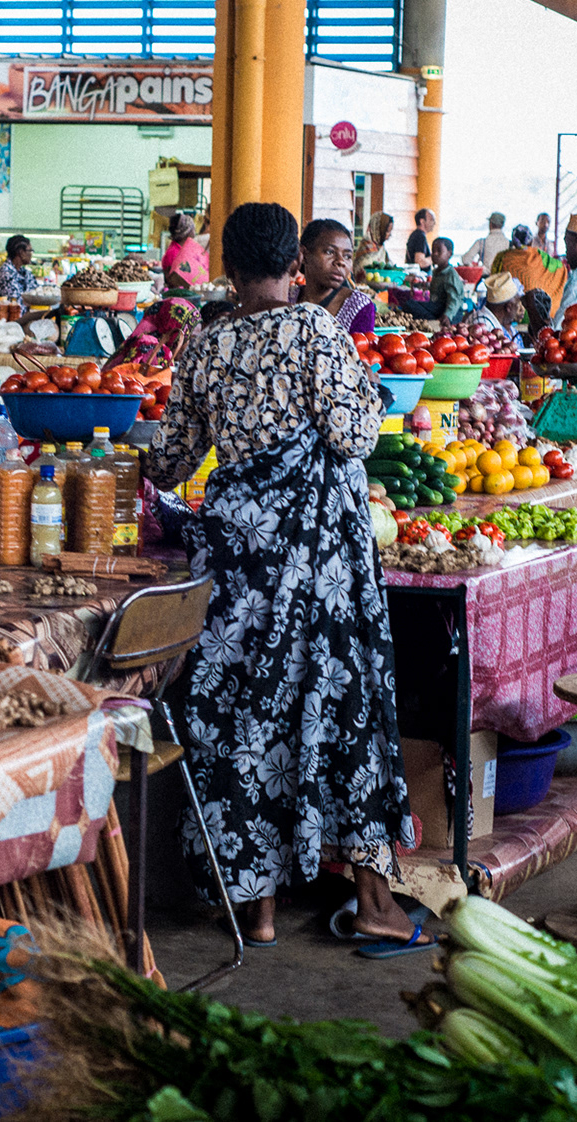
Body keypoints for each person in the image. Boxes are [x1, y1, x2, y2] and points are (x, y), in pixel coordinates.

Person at [143, 202, 422, 955]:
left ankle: (256, 910)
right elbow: (355, 436)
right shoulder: (316, 331)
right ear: (295, 265)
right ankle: (373, 902)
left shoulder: (205, 343)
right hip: (321, 570)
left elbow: (170, 460)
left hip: (239, 564)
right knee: (343, 710)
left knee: (243, 718)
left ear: (228, 269)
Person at [294, 217, 375, 334]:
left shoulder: (358, 307)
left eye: (347, 256)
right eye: (329, 252)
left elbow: (361, 345)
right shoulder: (288, 298)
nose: (341, 261)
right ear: (304, 254)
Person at [106, 297, 200, 373]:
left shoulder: (140, 340)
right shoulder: (156, 351)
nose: (193, 345)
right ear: (174, 335)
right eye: (190, 338)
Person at [399, 236, 467, 322]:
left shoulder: (450, 274)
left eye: (439, 251)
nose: (435, 254)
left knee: (411, 306)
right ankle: (434, 321)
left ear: (449, 254)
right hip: (437, 308)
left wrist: (447, 316)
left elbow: (454, 300)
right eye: (433, 251)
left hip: (452, 313)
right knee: (410, 304)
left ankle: (437, 322)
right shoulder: (436, 272)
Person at [160, 212, 210, 290]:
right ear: (187, 231)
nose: (194, 231)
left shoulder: (184, 249)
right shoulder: (174, 253)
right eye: (192, 228)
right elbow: (174, 281)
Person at [480, 270, 526, 342]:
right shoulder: (485, 326)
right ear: (509, 307)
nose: (520, 309)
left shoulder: (506, 327)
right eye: (517, 305)